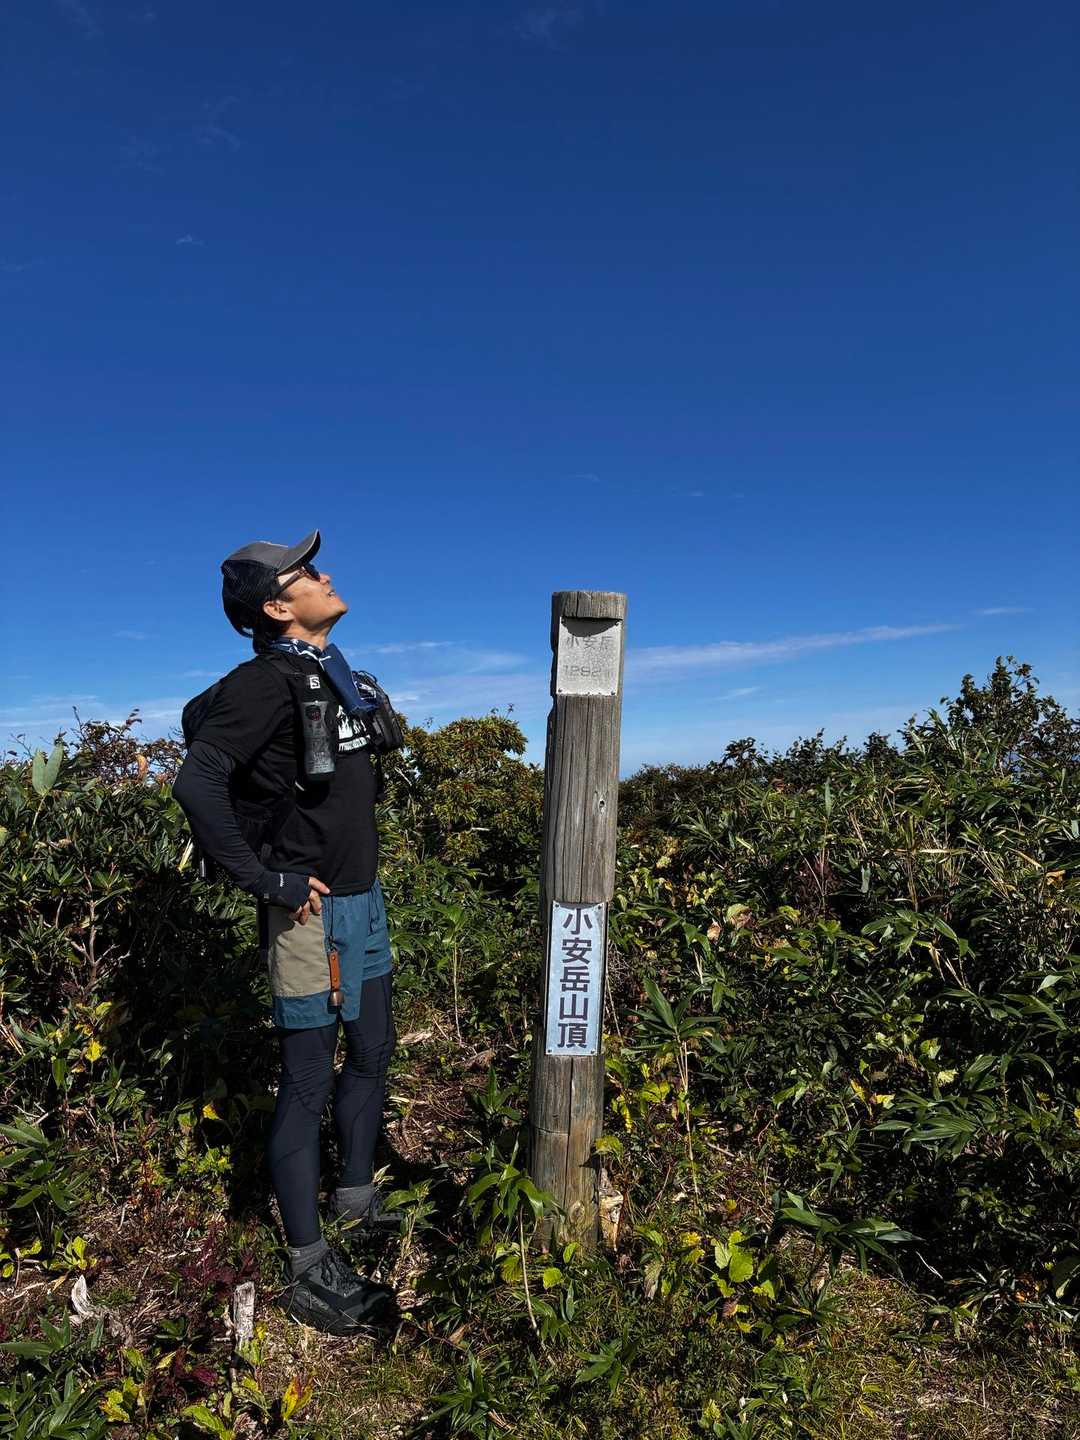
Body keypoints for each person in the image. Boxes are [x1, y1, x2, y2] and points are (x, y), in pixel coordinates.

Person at [172, 529, 402, 1336]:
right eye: (305, 572)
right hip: (306, 914)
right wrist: (266, 880)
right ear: (276, 607)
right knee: (307, 1081)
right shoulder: (262, 683)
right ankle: (308, 1266)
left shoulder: (333, 675)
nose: (325, 574)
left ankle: (356, 1198)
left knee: (373, 1050)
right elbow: (197, 783)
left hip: (362, 899)